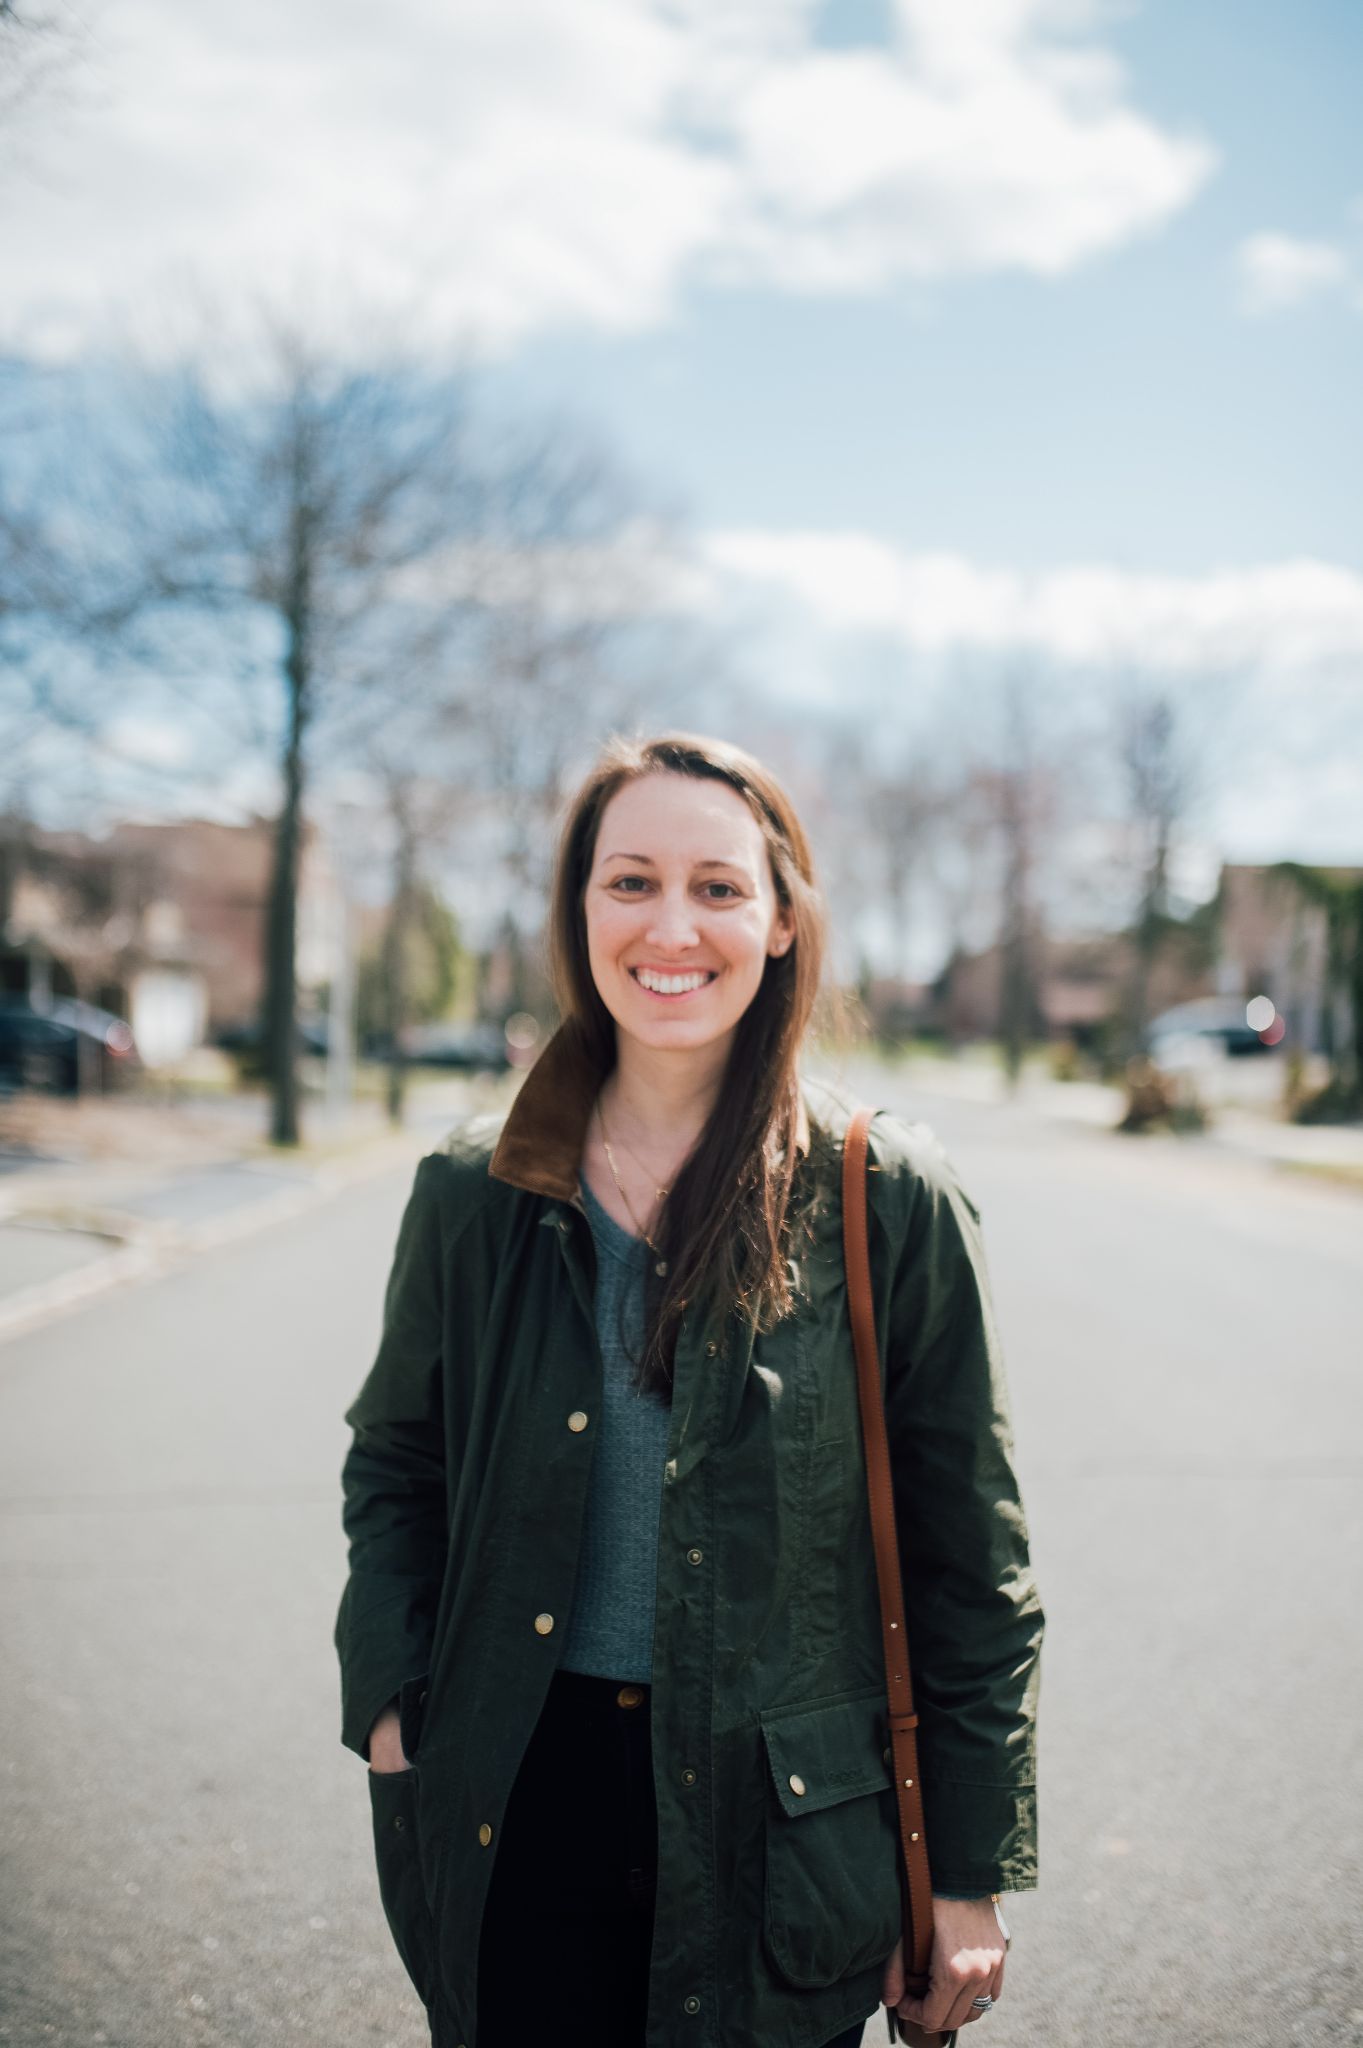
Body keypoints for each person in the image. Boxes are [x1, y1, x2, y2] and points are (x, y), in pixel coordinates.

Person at [334, 732, 1044, 2048]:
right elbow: (395, 1468)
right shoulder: (470, 1193)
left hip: (783, 1838)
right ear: (581, 910)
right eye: (631, 882)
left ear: (781, 922)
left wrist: (964, 1874)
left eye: (719, 887)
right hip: (510, 1798)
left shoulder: (887, 1198)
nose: (673, 925)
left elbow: (971, 1559)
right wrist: (391, 1713)